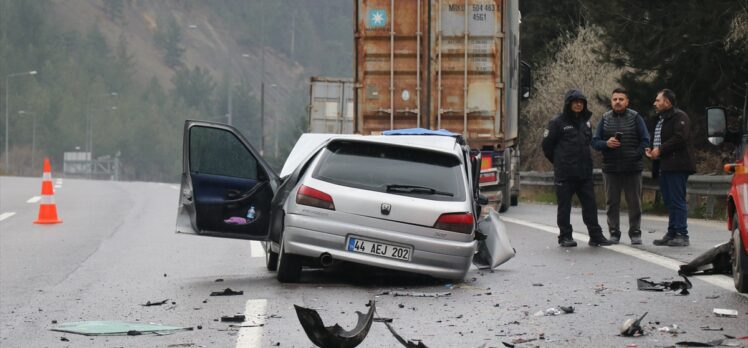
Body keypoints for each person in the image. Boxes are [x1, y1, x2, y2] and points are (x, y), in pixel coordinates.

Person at [542, 89, 613, 247]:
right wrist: (560, 162)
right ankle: (565, 236)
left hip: (584, 172)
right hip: (565, 174)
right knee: (564, 207)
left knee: (590, 205)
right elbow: (547, 146)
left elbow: (588, 143)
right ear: (569, 104)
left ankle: (595, 235)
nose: (579, 104)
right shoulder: (557, 123)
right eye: (575, 101)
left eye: (582, 102)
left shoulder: (586, 122)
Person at [592, 88, 650, 245]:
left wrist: (635, 155)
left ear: (627, 101)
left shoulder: (636, 117)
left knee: (635, 202)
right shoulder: (604, 119)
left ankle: (635, 232)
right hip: (610, 168)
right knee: (612, 202)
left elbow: (645, 140)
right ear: (611, 101)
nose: (617, 102)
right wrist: (607, 143)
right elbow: (595, 142)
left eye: (621, 99)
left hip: (633, 167)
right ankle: (614, 232)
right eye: (615, 99)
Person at [645, 89, 695, 247]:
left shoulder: (680, 117)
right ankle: (672, 232)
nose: (655, 103)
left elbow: (679, 138)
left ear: (667, 102)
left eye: (658, 100)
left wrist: (660, 149)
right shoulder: (660, 119)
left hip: (677, 165)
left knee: (677, 200)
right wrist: (652, 149)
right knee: (669, 201)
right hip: (663, 165)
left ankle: (682, 234)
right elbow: (660, 138)